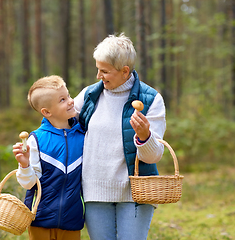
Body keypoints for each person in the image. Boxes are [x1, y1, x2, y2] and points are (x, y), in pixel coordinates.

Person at [74, 33, 166, 240]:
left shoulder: (151, 100)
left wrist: (145, 137)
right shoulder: (89, 95)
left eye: (105, 71)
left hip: (135, 192)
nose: (98, 75)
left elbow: (154, 156)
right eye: (97, 69)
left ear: (125, 71)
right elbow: (61, 124)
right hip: (94, 191)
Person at [13, 75, 85, 240]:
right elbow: (29, 183)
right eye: (62, 100)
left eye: (68, 96)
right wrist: (24, 165)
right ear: (46, 112)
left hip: (72, 220)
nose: (70, 101)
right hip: (40, 220)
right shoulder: (36, 140)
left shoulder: (83, 135)